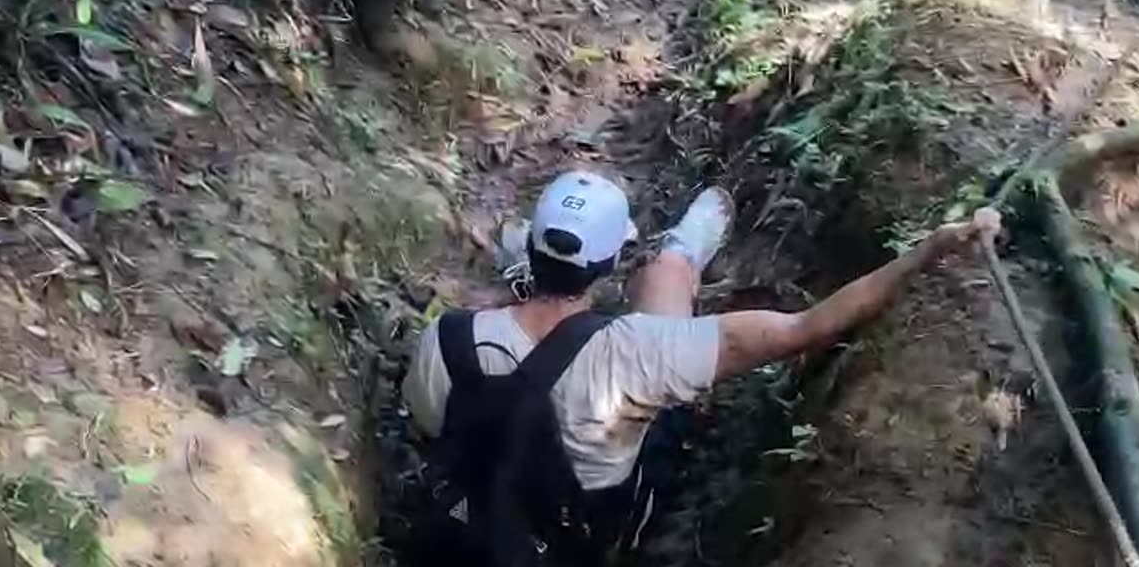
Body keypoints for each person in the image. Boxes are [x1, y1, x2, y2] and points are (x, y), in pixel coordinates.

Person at [402, 170, 1000, 566]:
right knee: (668, 283)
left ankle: (677, 248)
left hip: (463, 518)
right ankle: (688, 243)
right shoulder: (639, 351)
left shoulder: (445, 338)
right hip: (579, 538)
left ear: (531, 247)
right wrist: (929, 251)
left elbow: (433, 430)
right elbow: (806, 328)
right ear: (610, 262)